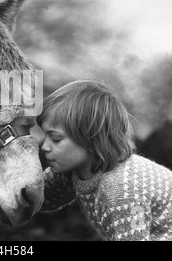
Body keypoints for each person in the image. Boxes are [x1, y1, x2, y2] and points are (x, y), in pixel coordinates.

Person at [37, 79, 172, 241]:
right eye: (45, 136)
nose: (45, 146)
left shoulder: (120, 189)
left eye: (56, 139)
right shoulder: (74, 169)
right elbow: (37, 196)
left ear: (90, 140)